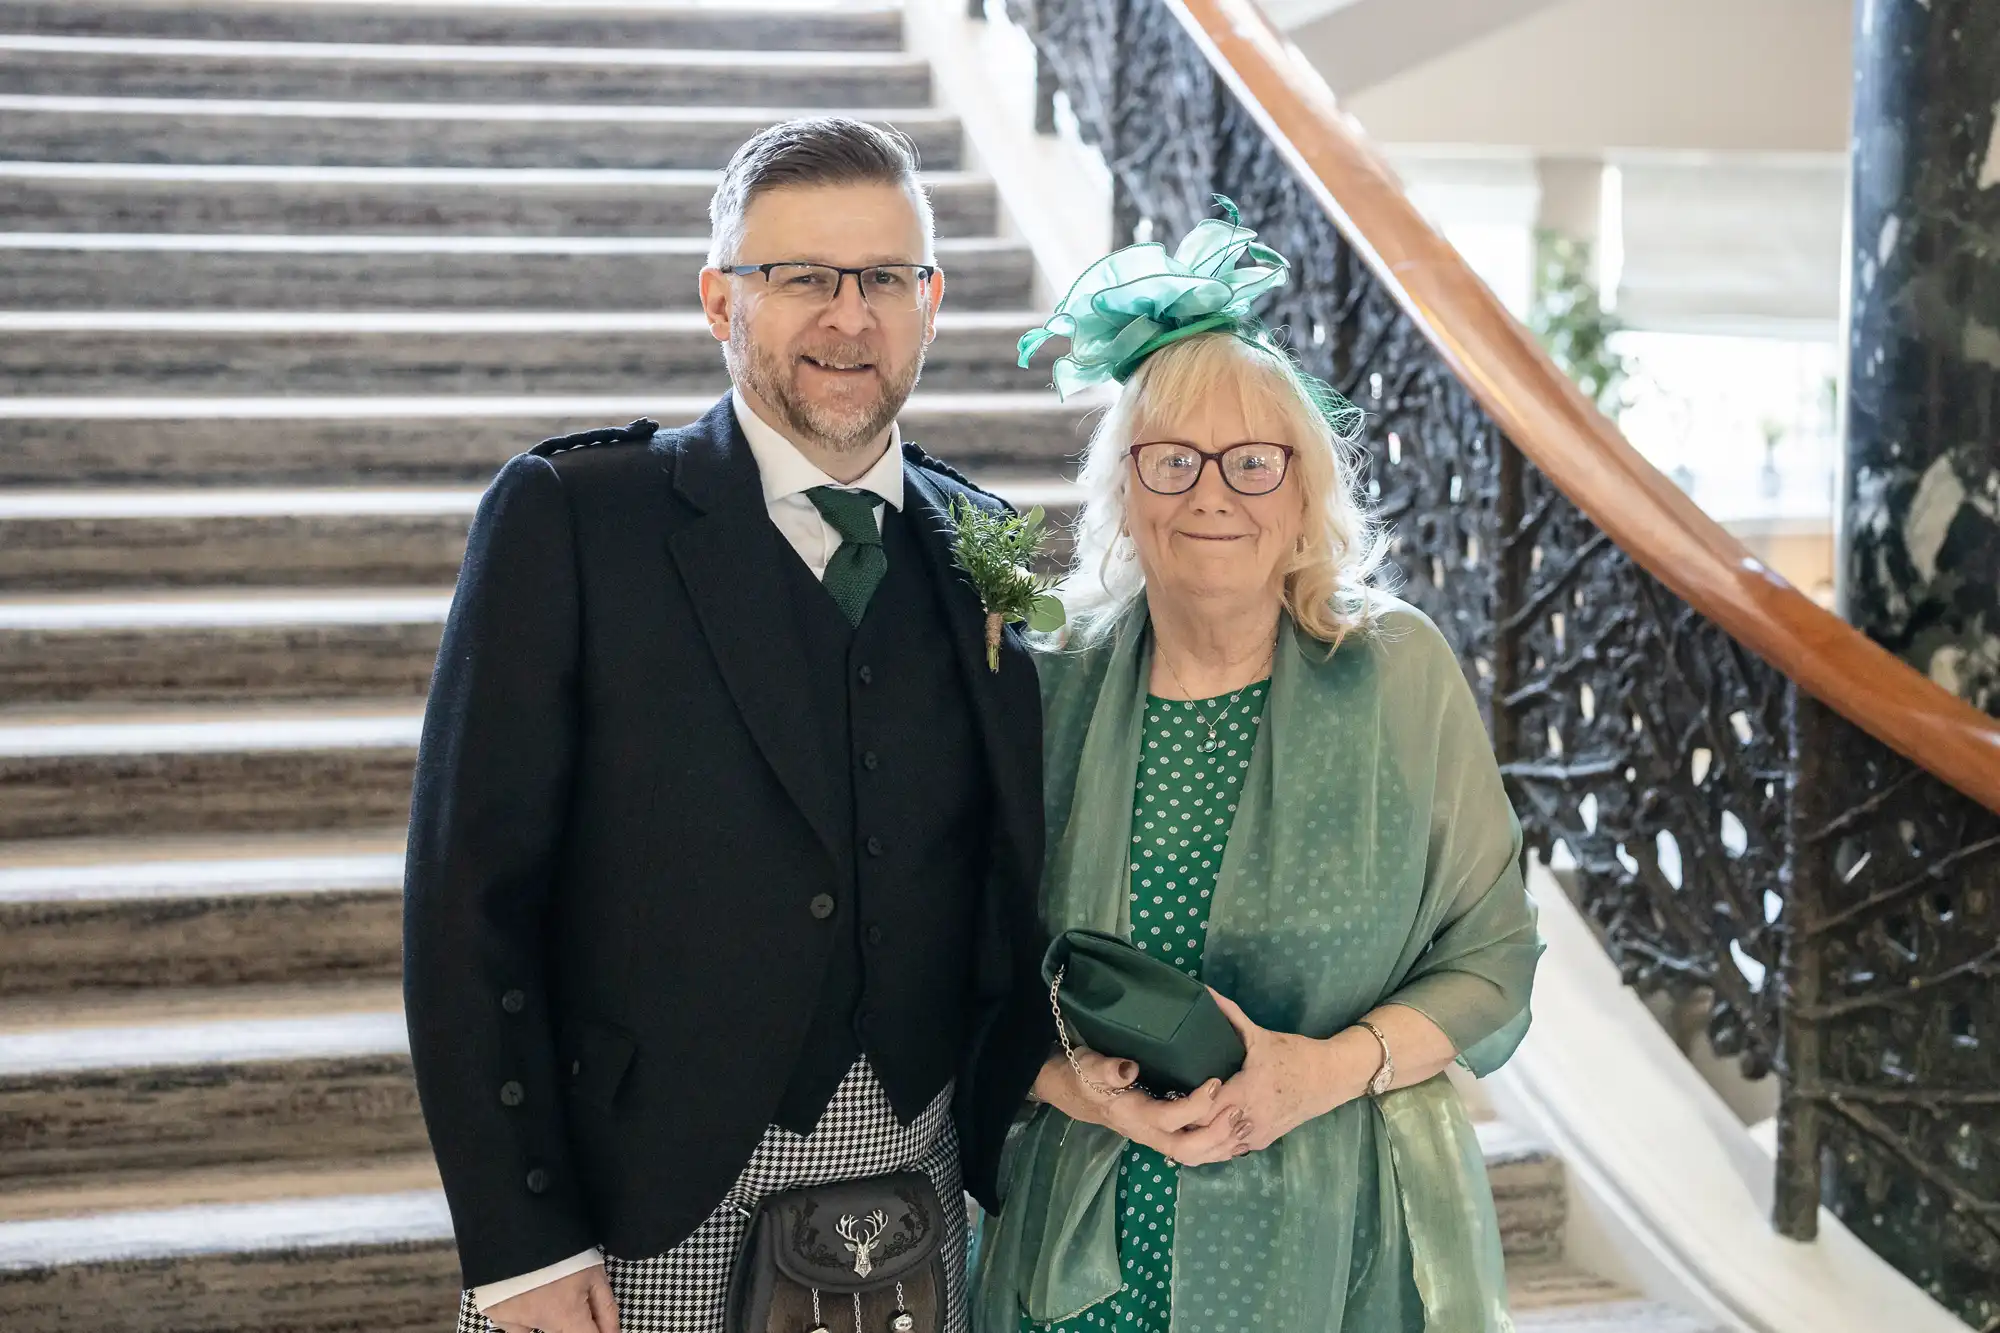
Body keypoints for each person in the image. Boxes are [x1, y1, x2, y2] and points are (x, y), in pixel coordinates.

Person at [403, 116, 1049, 1333]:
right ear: (718, 300)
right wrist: (521, 1239)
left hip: (915, 1177)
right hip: (638, 1199)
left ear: (931, 300)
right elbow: (467, 902)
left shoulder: (981, 544)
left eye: (884, 280)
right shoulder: (575, 519)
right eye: (801, 277)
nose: (848, 318)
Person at [973, 206, 1542, 1332]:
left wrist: (1316, 1072)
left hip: (1338, 1233)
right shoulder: (1047, 686)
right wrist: (1061, 1080)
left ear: (1301, 496)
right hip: (1087, 1229)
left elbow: (1491, 957)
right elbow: (971, 961)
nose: (1209, 492)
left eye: (1251, 461)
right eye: (1172, 459)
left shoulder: (1394, 672)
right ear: (1125, 494)